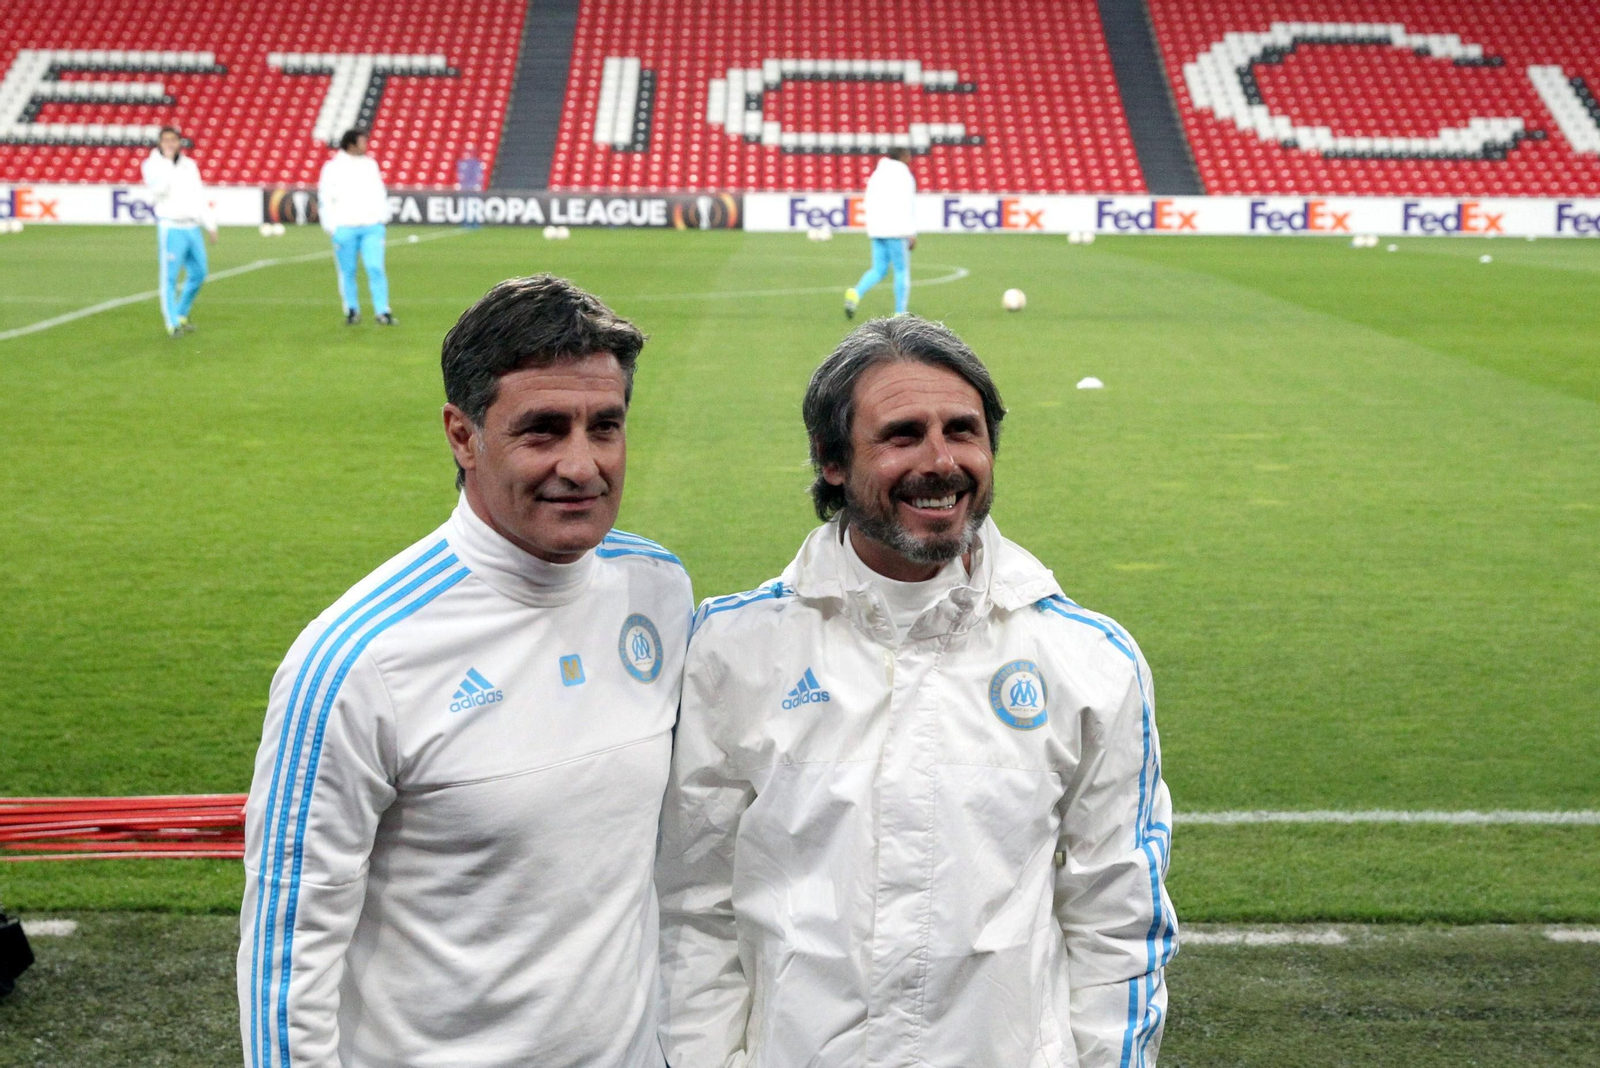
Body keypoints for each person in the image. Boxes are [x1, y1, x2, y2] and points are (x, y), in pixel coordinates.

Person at [659, 315, 1177, 1068]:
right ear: (831, 462)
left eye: (963, 431)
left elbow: (1119, 923)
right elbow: (690, 904)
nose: (941, 462)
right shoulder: (733, 651)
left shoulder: (1089, 661)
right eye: (902, 435)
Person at [238, 275, 690, 1068]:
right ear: (461, 433)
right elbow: (287, 956)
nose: (582, 465)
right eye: (543, 430)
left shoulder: (658, 590)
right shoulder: (356, 660)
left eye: (605, 426)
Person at [140, 125, 217, 337]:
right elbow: (157, 192)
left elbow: (198, 194)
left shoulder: (189, 165)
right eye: (166, 140)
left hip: (192, 226)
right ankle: (172, 322)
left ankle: (181, 313)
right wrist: (167, 165)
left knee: (200, 273)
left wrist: (210, 223)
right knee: (170, 277)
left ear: (179, 142)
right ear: (160, 143)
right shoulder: (152, 165)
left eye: (173, 140)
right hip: (171, 226)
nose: (170, 144)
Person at [318, 128, 394, 326]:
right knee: (347, 271)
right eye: (362, 141)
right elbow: (325, 198)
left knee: (375, 267)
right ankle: (352, 310)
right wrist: (332, 228)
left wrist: (381, 218)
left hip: (371, 226)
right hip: (344, 228)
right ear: (350, 144)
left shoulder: (370, 165)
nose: (366, 145)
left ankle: (383, 311)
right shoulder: (332, 168)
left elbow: (379, 192)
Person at [844, 146, 917, 319]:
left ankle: (855, 293)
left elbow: (868, 200)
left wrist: (872, 225)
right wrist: (911, 232)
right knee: (901, 270)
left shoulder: (877, 174)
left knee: (878, 269)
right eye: (908, 154)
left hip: (877, 228)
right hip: (896, 230)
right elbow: (907, 204)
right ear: (902, 156)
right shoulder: (904, 175)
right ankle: (900, 312)